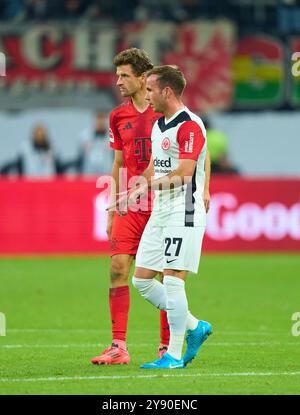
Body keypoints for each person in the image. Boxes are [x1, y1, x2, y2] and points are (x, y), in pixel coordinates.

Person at [113, 65, 212, 369]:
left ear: (167, 91)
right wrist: (134, 188)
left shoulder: (190, 126)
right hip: (161, 210)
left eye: (152, 90)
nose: (148, 95)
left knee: (172, 280)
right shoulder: (159, 126)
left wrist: (148, 186)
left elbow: (183, 174)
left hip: (184, 209)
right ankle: (195, 327)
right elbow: (156, 167)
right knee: (142, 279)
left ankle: (174, 354)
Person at [90, 48, 169, 366]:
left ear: (141, 78)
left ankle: (166, 345)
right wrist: (111, 207)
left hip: (162, 201)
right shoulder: (117, 116)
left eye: (124, 75)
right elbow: (118, 163)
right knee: (117, 268)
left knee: (163, 275)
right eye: (117, 75)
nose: (118, 81)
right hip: (129, 204)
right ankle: (118, 347)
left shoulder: (166, 111)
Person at [77, 111, 113, 175]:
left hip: (106, 176)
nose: (100, 122)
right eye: (98, 119)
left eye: (103, 119)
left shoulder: (113, 137)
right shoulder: (84, 137)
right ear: (93, 120)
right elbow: (79, 158)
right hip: (88, 175)